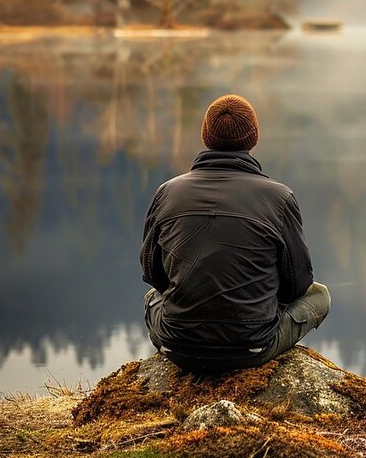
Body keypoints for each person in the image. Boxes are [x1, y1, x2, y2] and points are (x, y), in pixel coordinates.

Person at [141, 94, 330, 372]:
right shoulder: (278, 198)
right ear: (253, 138)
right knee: (320, 296)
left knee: (150, 299)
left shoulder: (167, 193)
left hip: (177, 346)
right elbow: (297, 286)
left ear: (206, 135)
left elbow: (154, 276)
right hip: (250, 348)